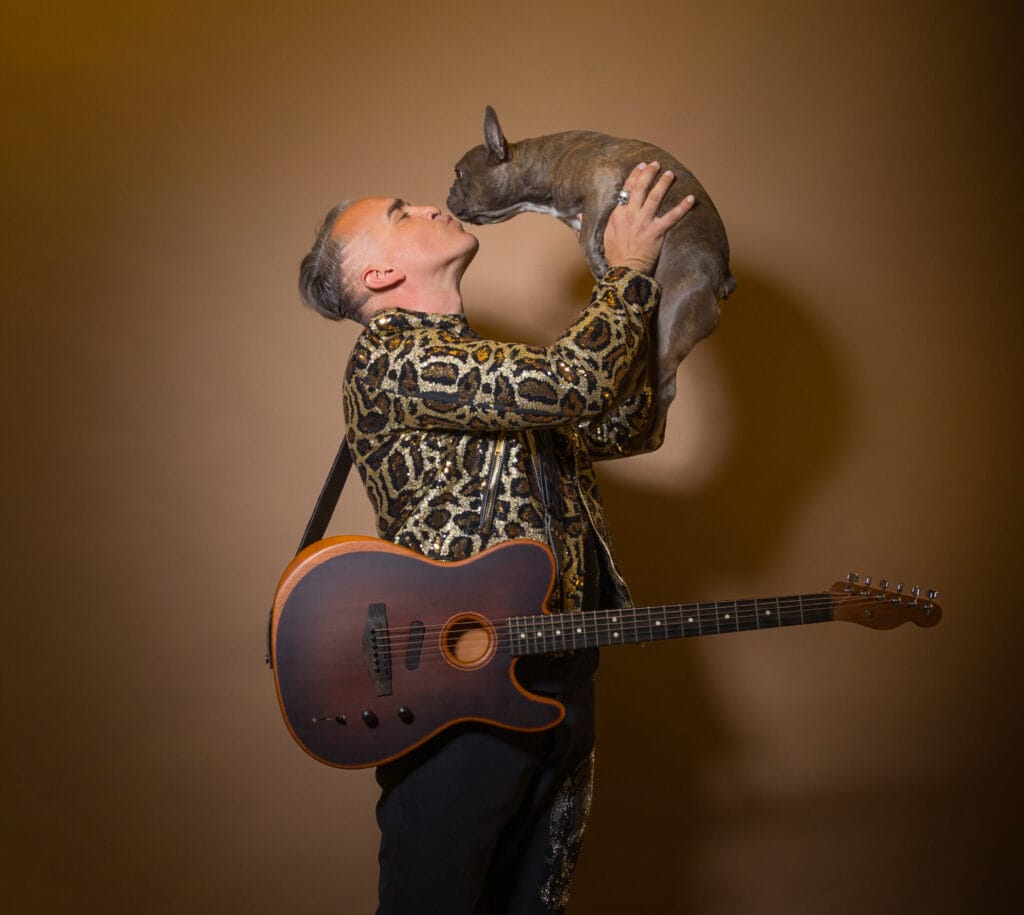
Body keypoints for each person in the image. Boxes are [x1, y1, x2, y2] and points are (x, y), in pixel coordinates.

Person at [298, 163, 694, 915]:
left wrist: (663, 290)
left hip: (559, 677)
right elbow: (572, 383)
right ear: (379, 272)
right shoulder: (394, 356)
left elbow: (626, 422)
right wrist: (629, 272)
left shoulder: (484, 369)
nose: (423, 202)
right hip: (461, 691)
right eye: (398, 210)